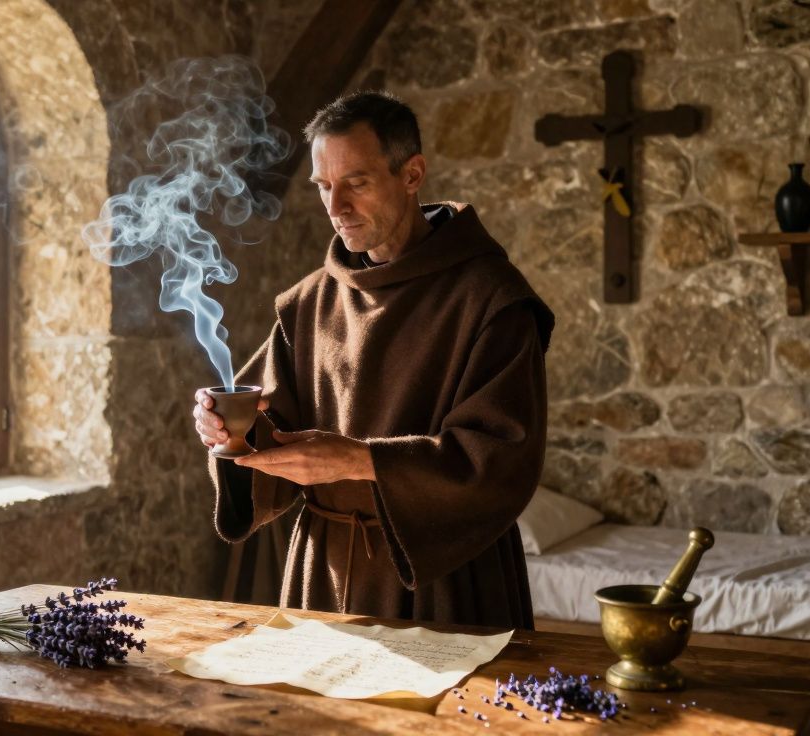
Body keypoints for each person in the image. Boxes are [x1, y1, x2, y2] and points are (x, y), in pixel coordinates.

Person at [192, 91, 554, 629]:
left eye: (356, 183)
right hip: (323, 572)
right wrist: (230, 433)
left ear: (412, 174)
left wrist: (359, 461)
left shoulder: (491, 300)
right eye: (323, 187)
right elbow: (270, 433)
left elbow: (500, 459)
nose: (336, 207)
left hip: (444, 579)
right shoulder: (309, 302)